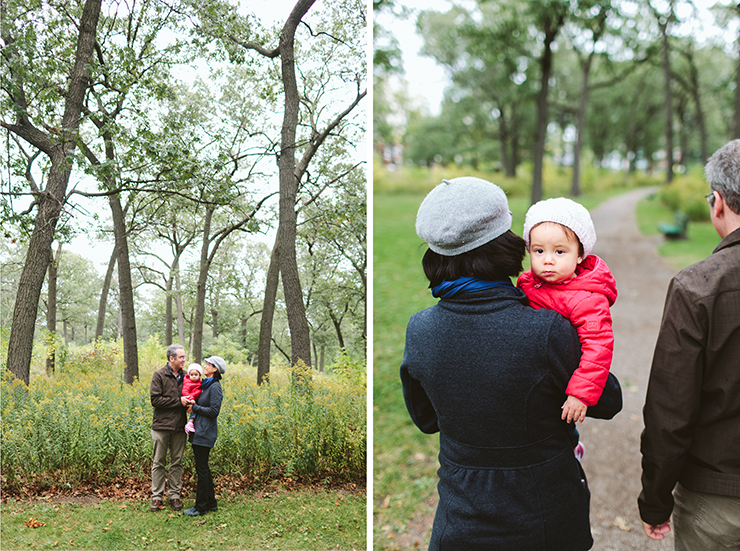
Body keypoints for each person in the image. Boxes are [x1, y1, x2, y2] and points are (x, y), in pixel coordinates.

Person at [401, 176, 623, 550]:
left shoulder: (420, 330)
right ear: (508, 245)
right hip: (545, 521)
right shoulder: (548, 329)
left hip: (461, 520)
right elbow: (609, 400)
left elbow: (426, 420)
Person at [639, 139, 740, 548]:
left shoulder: (698, 287)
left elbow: (671, 411)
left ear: (717, 202)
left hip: (718, 501)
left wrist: (655, 499)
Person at [518, 198, 618, 429]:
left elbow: (599, 346)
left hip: (564, 381)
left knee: (562, 425)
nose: (548, 260)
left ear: (580, 254)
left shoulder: (587, 298)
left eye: (560, 251)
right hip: (535, 376)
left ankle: (573, 446)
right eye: (539, 251)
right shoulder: (527, 283)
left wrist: (580, 394)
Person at [150, 344, 193, 512]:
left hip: (179, 427)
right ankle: (157, 497)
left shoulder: (187, 376)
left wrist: (191, 403)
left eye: (184, 357)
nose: (184, 360)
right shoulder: (159, 375)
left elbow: (191, 393)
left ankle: (174, 496)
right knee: (158, 462)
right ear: (171, 358)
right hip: (161, 426)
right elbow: (156, 400)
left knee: (177, 462)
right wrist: (178, 401)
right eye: (181, 357)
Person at [184, 355, 226, 517]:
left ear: (215, 369)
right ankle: (211, 503)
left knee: (201, 469)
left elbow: (214, 412)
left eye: (208, 364)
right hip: (200, 430)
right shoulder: (205, 385)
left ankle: (200, 507)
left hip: (205, 432)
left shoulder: (215, 387)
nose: (205, 366)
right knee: (203, 468)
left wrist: (195, 408)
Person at [183, 363, 203, 435]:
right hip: (190, 400)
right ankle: (190, 423)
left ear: (199, 375)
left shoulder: (200, 382)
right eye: (192, 375)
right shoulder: (188, 383)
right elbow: (185, 391)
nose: (194, 377)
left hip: (195, 398)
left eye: (196, 375)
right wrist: (191, 399)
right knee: (194, 410)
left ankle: (191, 423)